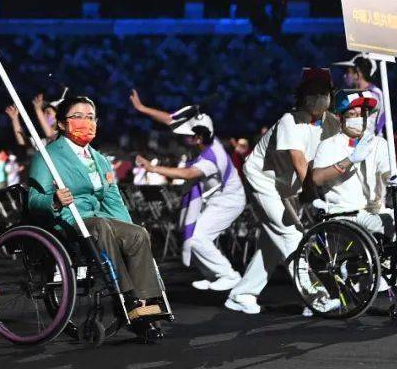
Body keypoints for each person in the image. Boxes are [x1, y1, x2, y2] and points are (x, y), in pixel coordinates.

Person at [27, 94, 164, 343]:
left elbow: (114, 203)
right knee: (101, 227)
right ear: (60, 123)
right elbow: (33, 200)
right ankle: (127, 298)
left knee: (137, 234)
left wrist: (128, 228)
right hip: (67, 221)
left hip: (98, 219)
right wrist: (55, 201)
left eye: (90, 117)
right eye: (77, 116)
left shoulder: (100, 160)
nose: (85, 122)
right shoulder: (47, 157)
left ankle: (146, 305)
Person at [224, 68, 338, 315]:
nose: (320, 97)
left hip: (288, 187)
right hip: (263, 182)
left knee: (272, 244)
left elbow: (342, 145)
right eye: (314, 92)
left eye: (324, 92)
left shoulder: (330, 121)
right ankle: (316, 299)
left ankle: (241, 295)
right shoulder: (290, 120)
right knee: (290, 234)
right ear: (303, 95)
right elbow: (299, 161)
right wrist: (314, 196)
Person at [308, 89, 397, 307]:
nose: (359, 118)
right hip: (346, 214)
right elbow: (318, 178)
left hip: (376, 211)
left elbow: (387, 170)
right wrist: (350, 159)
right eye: (353, 114)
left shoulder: (377, 143)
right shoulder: (329, 145)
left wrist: (395, 177)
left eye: (363, 113)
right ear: (341, 117)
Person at [132, 98, 245, 291]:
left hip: (228, 201)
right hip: (216, 199)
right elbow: (170, 120)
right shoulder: (205, 135)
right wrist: (143, 108)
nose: (183, 139)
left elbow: (187, 174)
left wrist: (152, 168)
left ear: (198, 138)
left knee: (198, 238)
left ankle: (228, 275)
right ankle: (214, 276)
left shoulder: (212, 157)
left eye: (188, 136)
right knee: (194, 239)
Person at [335, 54, 386, 135]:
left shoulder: (372, 95)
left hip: (368, 144)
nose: (345, 76)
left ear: (357, 74)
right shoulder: (359, 94)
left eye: (348, 72)